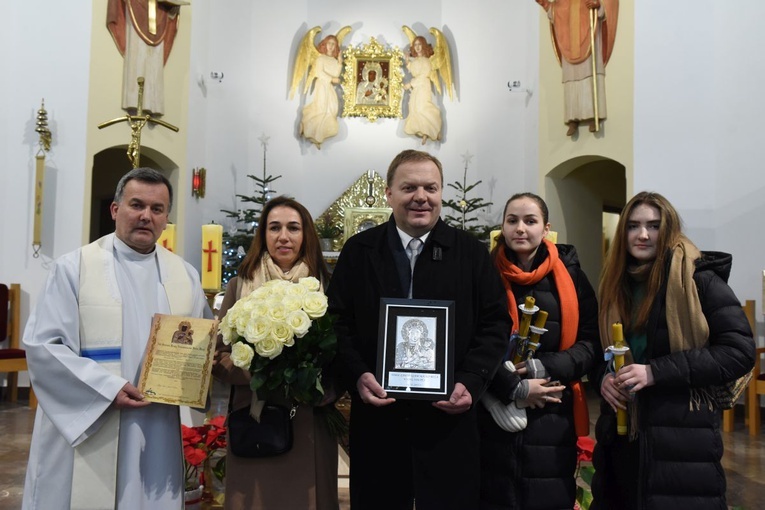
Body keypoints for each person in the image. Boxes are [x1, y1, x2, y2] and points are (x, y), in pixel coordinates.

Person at [326, 149, 511, 510]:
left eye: (431, 187)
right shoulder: (360, 251)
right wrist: (358, 375)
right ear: (389, 193)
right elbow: (337, 322)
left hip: (448, 419)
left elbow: (495, 324)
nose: (421, 197)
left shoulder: (469, 253)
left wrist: (470, 381)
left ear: (442, 193)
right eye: (409, 187)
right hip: (380, 418)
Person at [22, 167, 212, 509]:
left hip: (156, 422)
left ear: (166, 218)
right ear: (115, 210)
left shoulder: (184, 274)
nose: (145, 216)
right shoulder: (74, 268)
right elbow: (43, 346)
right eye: (136, 205)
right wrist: (106, 388)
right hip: (92, 418)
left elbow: (201, 343)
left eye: (157, 209)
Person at [590, 191, 755, 510]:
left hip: (680, 438)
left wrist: (655, 372)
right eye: (633, 226)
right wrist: (603, 378)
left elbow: (739, 351)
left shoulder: (699, 279)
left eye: (653, 226)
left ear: (669, 230)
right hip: (623, 437)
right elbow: (602, 353)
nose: (642, 235)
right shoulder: (614, 284)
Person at [212, 196, 338, 510]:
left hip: (309, 415)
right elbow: (219, 355)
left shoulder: (328, 286)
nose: (284, 236)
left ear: (305, 234)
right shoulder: (240, 285)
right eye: (275, 227)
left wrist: (321, 383)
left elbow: (344, 351)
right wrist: (264, 373)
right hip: (256, 416)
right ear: (263, 235)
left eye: (293, 228)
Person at [479, 192, 600, 510]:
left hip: (552, 412)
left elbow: (590, 344)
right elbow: (467, 343)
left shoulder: (572, 278)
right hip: (492, 412)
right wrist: (513, 387)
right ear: (502, 227)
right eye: (512, 220)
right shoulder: (483, 275)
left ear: (546, 229)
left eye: (530, 221)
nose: (520, 228)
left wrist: (542, 368)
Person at [535, 0, 619, 136]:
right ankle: (572, 119)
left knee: (590, 76)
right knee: (570, 80)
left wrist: (598, 6)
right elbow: (555, 12)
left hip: (589, 39)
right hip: (568, 43)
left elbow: (605, 10)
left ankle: (594, 115)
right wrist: (545, 4)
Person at [107, 0, 186, 115]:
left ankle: (153, 103)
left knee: (154, 56)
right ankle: (133, 100)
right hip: (136, 5)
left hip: (158, 9)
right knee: (137, 52)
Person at [300, 35, 344, 149]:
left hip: (328, 87)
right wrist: (332, 79)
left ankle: (321, 133)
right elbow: (319, 73)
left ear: (335, 47)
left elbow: (336, 74)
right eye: (329, 43)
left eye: (333, 44)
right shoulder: (320, 59)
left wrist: (339, 62)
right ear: (324, 45)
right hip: (322, 86)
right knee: (321, 109)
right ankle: (313, 133)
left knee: (332, 110)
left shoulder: (333, 60)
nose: (331, 46)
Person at [403, 36, 443, 145]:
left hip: (423, 85)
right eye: (415, 45)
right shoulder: (416, 61)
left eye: (419, 44)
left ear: (423, 45)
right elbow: (413, 69)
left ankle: (435, 128)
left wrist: (410, 84)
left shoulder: (426, 61)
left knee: (423, 108)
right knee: (414, 108)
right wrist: (407, 61)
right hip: (417, 88)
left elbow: (422, 75)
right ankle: (425, 131)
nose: (417, 47)